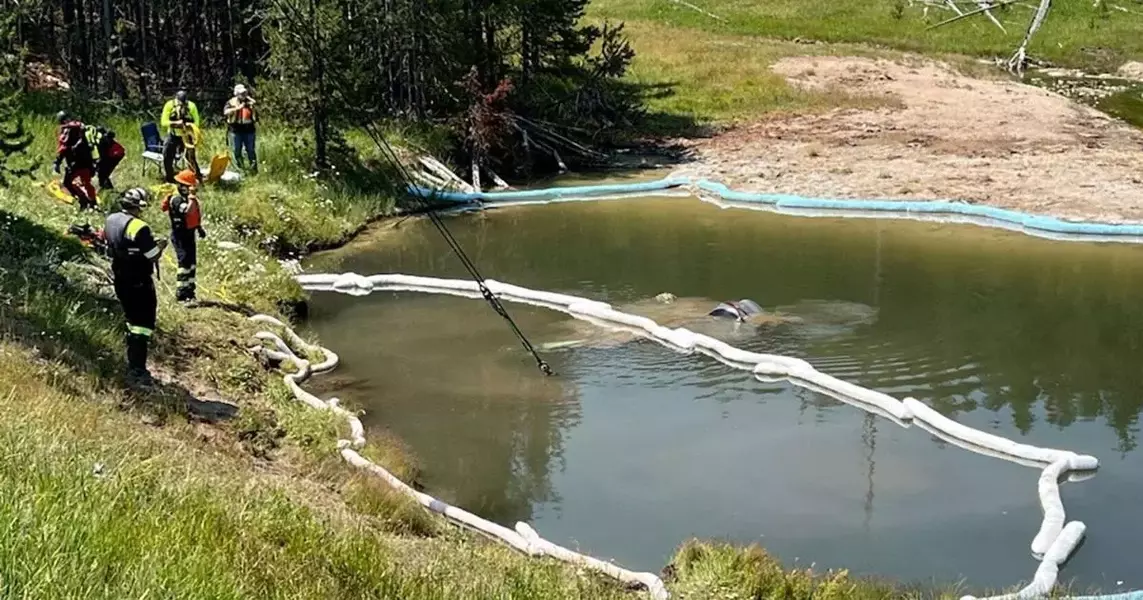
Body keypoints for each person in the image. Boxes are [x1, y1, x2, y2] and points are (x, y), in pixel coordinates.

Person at [102, 188, 168, 385]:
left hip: (120, 276)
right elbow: (152, 255)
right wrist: (161, 245)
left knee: (131, 319)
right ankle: (137, 368)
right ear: (140, 206)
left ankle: (132, 360)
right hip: (138, 280)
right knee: (142, 324)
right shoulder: (139, 226)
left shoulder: (111, 219)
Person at [162, 169, 206, 303]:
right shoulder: (176, 199)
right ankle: (181, 294)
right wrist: (192, 197)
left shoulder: (187, 198)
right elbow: (188, 210)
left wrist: (199, 228)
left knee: (191, 263)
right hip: (179, 235)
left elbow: (194, 216)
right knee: (184, 263)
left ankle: (190, 292)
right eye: (188, 186)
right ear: (180, 185)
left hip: (189, 234)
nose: (190, 189)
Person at [53, 111, 98, 210]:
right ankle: (92, 202)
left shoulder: (67, 130)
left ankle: (84, 201)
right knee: (86, 183)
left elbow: (64, 148)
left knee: (69, 184)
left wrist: (57, 162)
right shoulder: (81, 128)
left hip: (76, 162)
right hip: (87, 161)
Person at [160, 90, 201, 183]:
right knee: (167, 155)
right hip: (173, 134)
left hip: (187, 135)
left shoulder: (192, 106)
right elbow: (163, 122)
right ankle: (169, 178)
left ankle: (195, 177)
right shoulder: (169, 105)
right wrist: (175, 123)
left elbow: (197, 122)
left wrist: (188, 126)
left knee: (191, 157)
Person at [224, 83, 258, 173]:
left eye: (244, 93)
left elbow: (255, 110)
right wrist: (237, 108)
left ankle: (253, 169)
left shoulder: (250, 102)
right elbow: (226, 112)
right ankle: (240, 170)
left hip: (249, 129)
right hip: (236, 130)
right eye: (241, 93)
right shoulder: (231, 102)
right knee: (237, 150)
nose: (243, 95)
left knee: (250, 150)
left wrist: (251, 102)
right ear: (236, 94)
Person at [85, 124, 125, 190]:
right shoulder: (103, 139)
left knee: (103, 173)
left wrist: (96, 163)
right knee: (103, 173)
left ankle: (108, 189)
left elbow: (102, 154)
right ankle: (107, 188)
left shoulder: (103, 141)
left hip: (114, 155)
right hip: (114, 154)